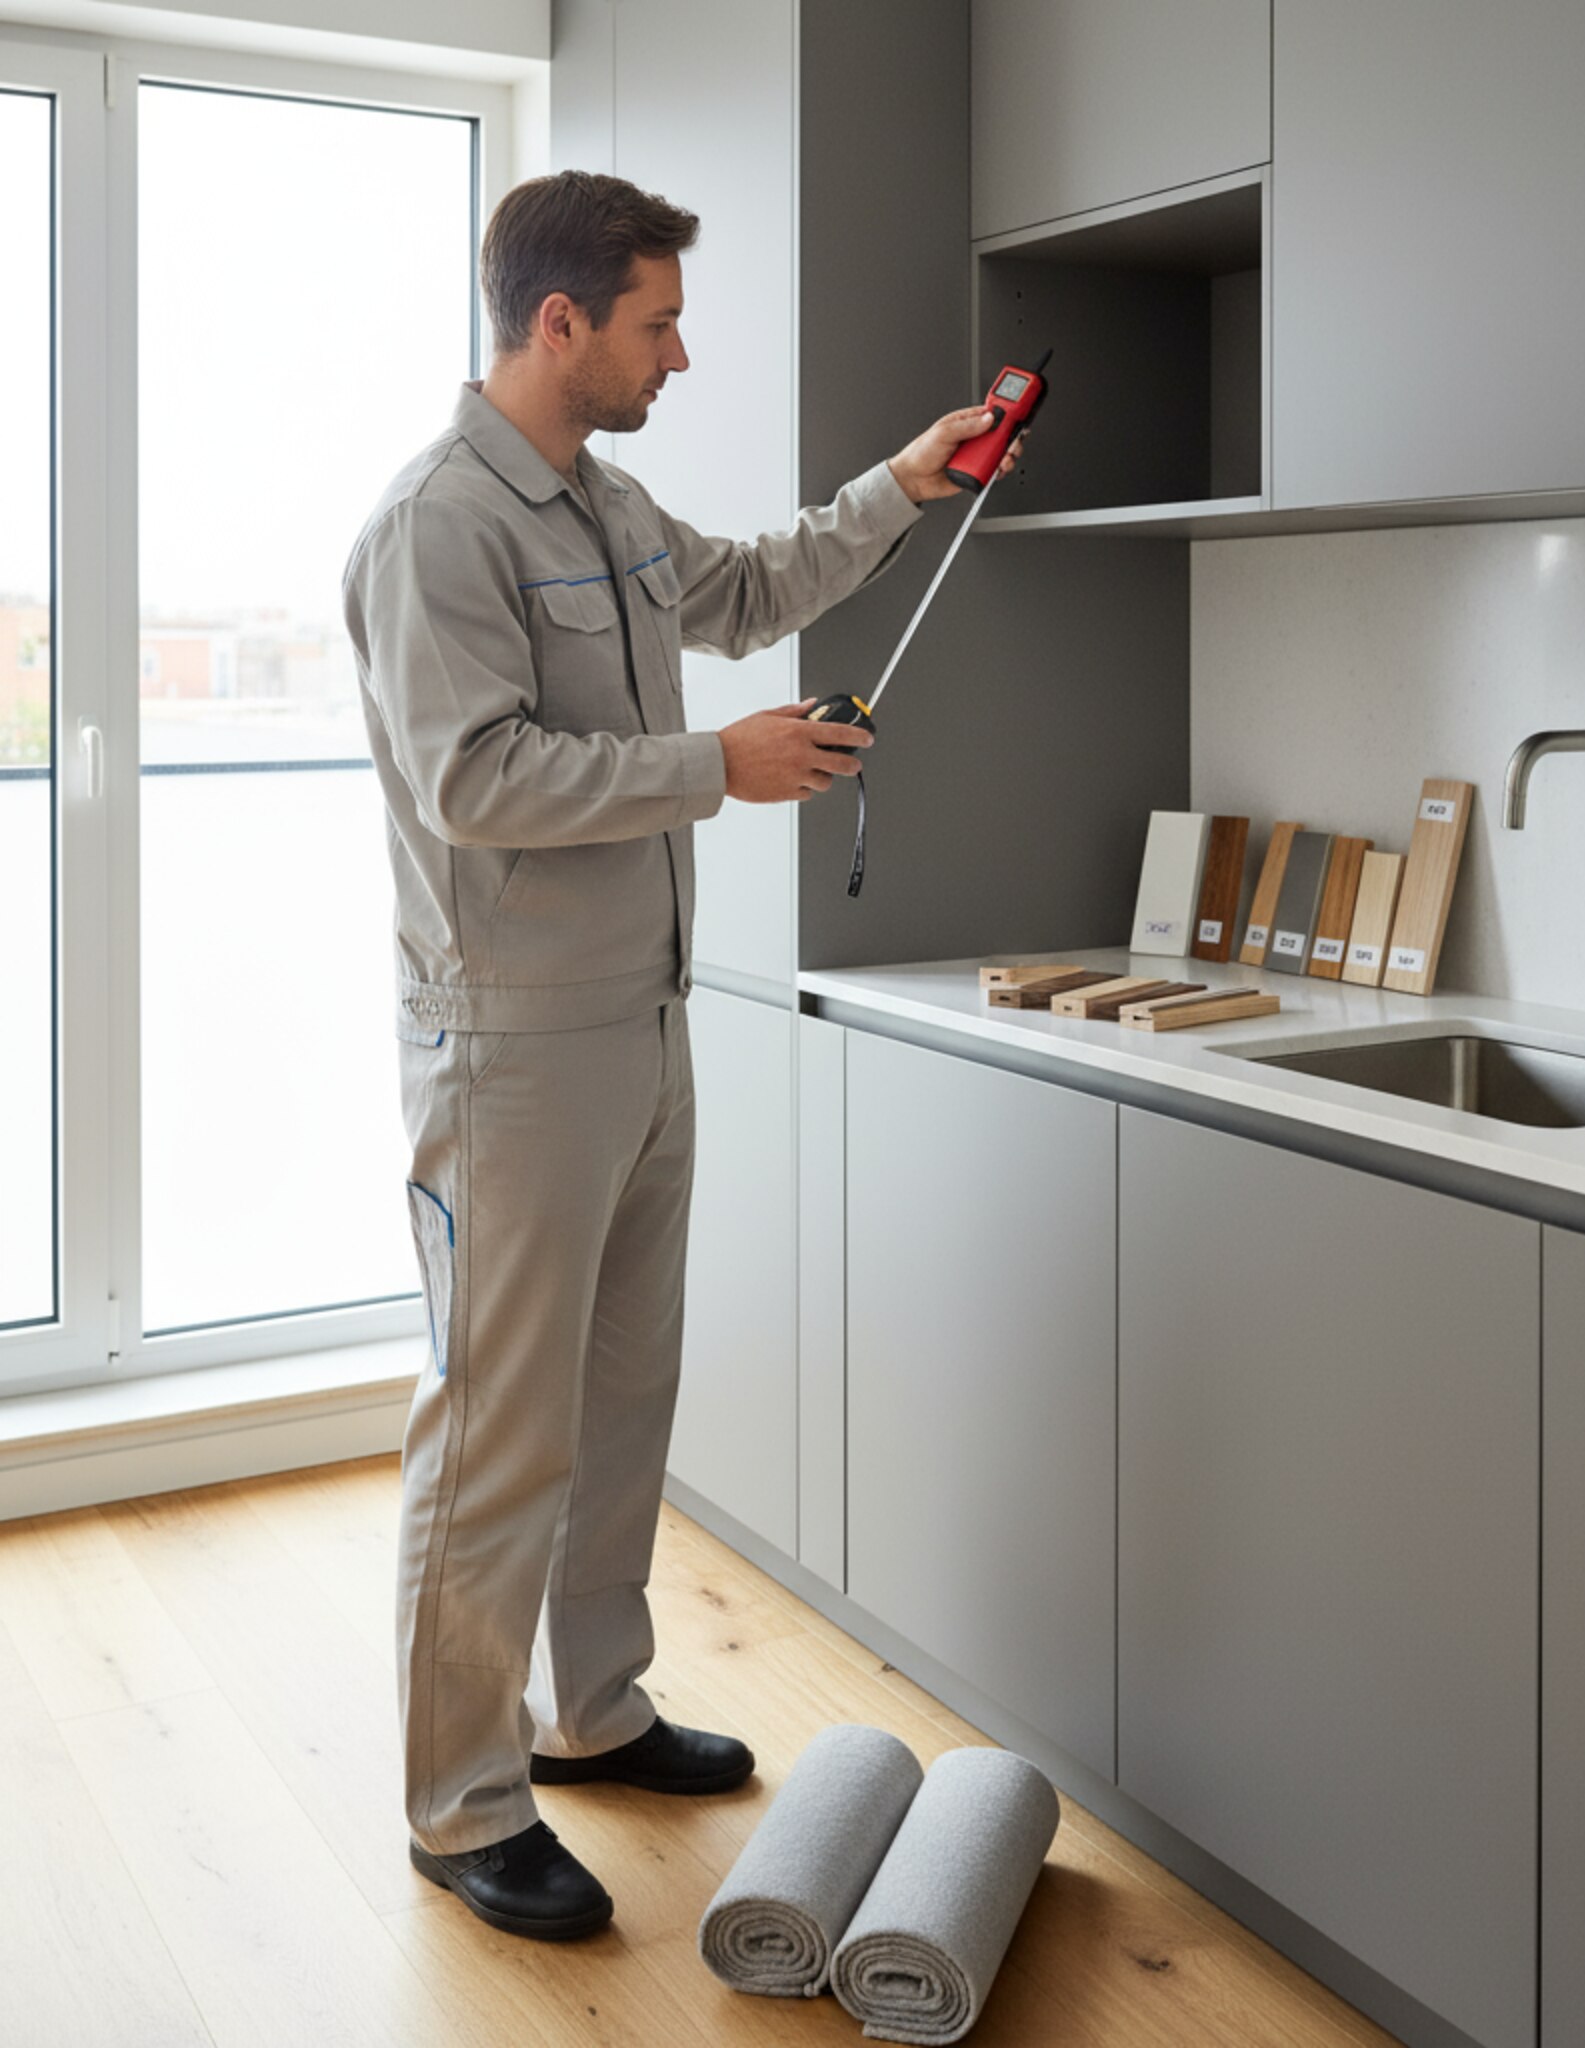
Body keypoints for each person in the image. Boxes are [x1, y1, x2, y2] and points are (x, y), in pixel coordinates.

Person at [341, 169, 1017, 1943]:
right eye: (657, 319)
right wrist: (721, 767)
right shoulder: (440, 528)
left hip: (643, 1023)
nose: (681, 350)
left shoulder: (606, 500)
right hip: (508, 1049)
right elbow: (471, 781)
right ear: (558, 322)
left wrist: (909, 479)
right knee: (498, 1432)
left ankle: (594, 1709)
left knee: (621, 1399)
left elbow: (747, 586)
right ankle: (460, 1801)